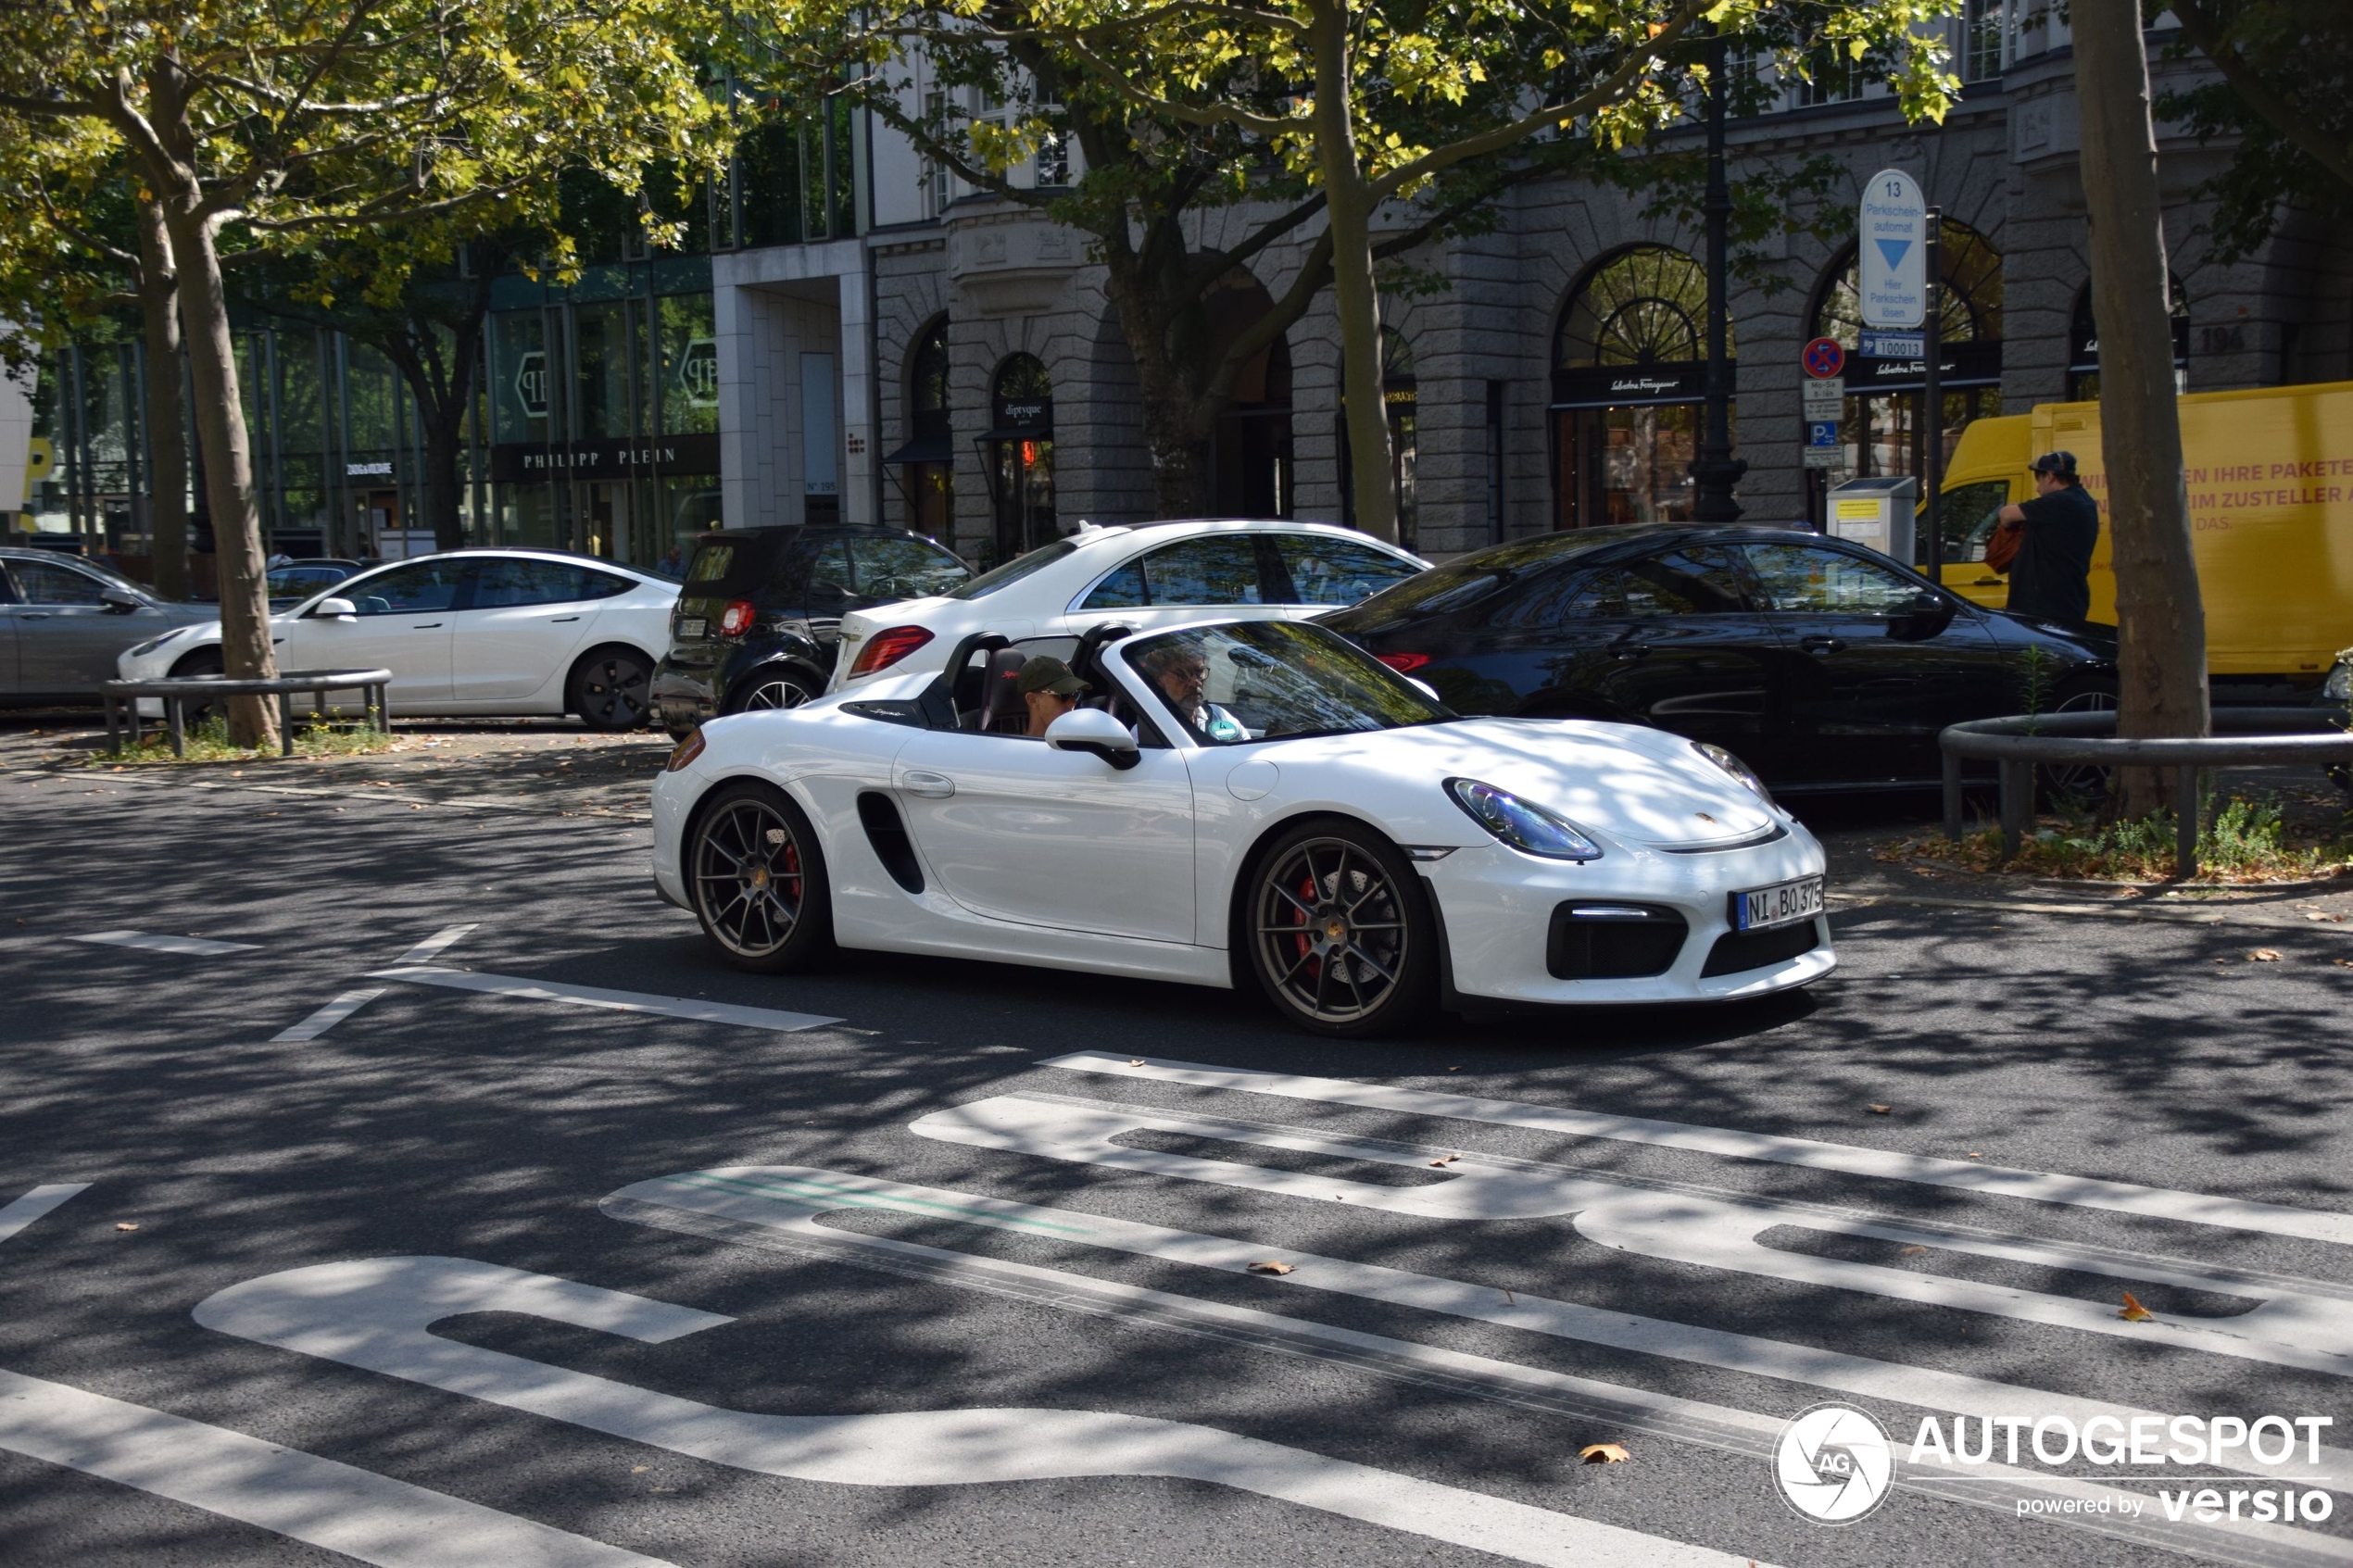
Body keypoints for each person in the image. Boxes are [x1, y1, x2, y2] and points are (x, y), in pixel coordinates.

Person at [1992, 449, 2100, 623]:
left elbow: (2006, 514)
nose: (2038, 487)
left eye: (2038, 478)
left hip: (2045, 605)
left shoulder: (2059, 502)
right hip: (2067, 597)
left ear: (2049, 476)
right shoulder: (2082, 500)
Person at [1139, 642, 1246, 742]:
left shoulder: (1218, 716)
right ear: (1159, 680)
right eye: (1181, 675)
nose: (1195, 682)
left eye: (1199, 672)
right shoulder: (1147, 731)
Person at [1014, 655, 1088, 737]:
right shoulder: (1017, 749)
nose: (1073, 702)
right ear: (1032, 700)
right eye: (1063, 695)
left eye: (1075, 694)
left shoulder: (1080, 743)